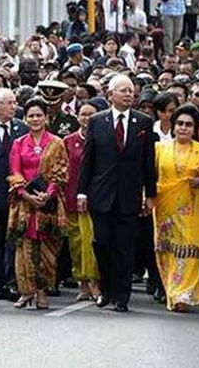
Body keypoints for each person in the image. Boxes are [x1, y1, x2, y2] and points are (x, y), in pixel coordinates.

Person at [77, 74, 156, 313]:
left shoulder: (143, 122)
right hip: (101, 194)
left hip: (129, 195)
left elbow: (148, 161)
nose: (129, 94)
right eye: (123, 90)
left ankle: (122, 297)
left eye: (131, 90)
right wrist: (82, 192)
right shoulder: (97, 121)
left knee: (125, 247)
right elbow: (88, 159)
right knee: (101, 243)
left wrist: (150, 194)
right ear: (110, 94)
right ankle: (107, 288)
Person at [153, 104, 199, 313]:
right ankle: (172, 293)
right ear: (173, 126)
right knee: (168, 251)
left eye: (188, 124)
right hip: (165, 209)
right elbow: (152, 178)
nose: (183, 128)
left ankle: (184, 294)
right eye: (179, 123)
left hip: (192, 208)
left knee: (189, 251)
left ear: (195, 128)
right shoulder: (160, 148)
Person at [7, 98, 68, 310]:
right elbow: (14, 172)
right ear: (25, 118)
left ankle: (42, 292)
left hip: (48, 205)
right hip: (25, 204)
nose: (35, 119)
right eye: (31, 116)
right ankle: (27, 291)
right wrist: (25, 194)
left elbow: (61, 173)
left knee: (47, 248)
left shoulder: (57, 143)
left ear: (46, 117)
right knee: (24, 248)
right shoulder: (18, 143)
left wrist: (47, 194)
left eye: (38, 115)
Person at [0, 87, 28, 301]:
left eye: (14, 102)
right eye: (9, 103)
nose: (14, 107)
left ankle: (12, 282)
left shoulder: (22, 128)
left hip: (18, 194)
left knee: (13, 240)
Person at [63, 99, 102, 301]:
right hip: (71, 197)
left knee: (90, 242)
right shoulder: (68, 141)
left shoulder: (103, 138)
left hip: (94, 197)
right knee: (76, 244)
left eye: (91, 114)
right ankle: (82, 282)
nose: (87, 118)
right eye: (83, 114)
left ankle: (95, 281)